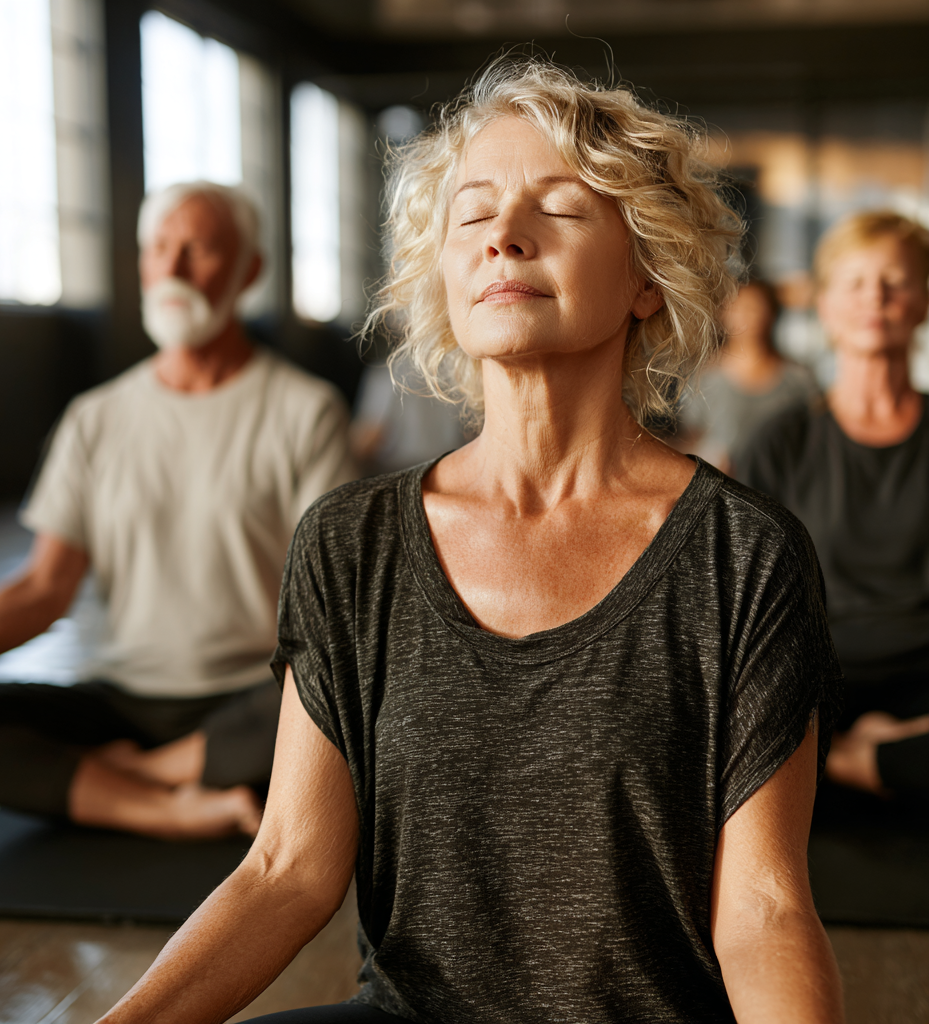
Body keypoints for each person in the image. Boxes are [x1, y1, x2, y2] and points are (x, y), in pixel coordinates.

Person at [97, 61, 844, 1024]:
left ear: (648, 278)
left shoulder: (744, 556)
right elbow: (286, 869)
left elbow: (766, 911)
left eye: (559, 210)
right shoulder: (351, 542)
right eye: (473, 215)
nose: (503, 236)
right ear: (443, 277)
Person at [0, 181, 356, 839]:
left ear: (248, 270)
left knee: (350, 687)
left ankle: (144, 773)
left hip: (257, 701)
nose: (172, 269)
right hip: (120, 700)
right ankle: (165, 801)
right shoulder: (95, 419)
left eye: (197, 249)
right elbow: (42, 589)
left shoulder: (305, 410)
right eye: (159, 248)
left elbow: (331, 606)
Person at [738, 211, 929, 800]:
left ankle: (855, 760)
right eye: (855, 281)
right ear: (823, 305)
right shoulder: (783, 439)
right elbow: (745, 596)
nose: (876, 295)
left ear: (922, 301)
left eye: (895, 280)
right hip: (812, 687)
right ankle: (875, 755)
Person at [677, 279, 817, 474]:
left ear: (771, 312)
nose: (746, 318)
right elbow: (691, 435)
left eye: (754, 308)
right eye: (737, 309)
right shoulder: (705, 378)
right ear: (723, 314)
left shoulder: (798, 379)